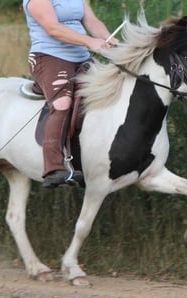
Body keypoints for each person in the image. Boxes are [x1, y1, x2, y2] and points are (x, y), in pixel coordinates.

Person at [23, 0, 117, 188]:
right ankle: (54, 167)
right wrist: (90, 41)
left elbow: (92, 21)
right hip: (48, 57)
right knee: (62, 103)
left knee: (110, 91)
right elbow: (53, 28)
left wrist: (109, 40)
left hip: (81, 57)